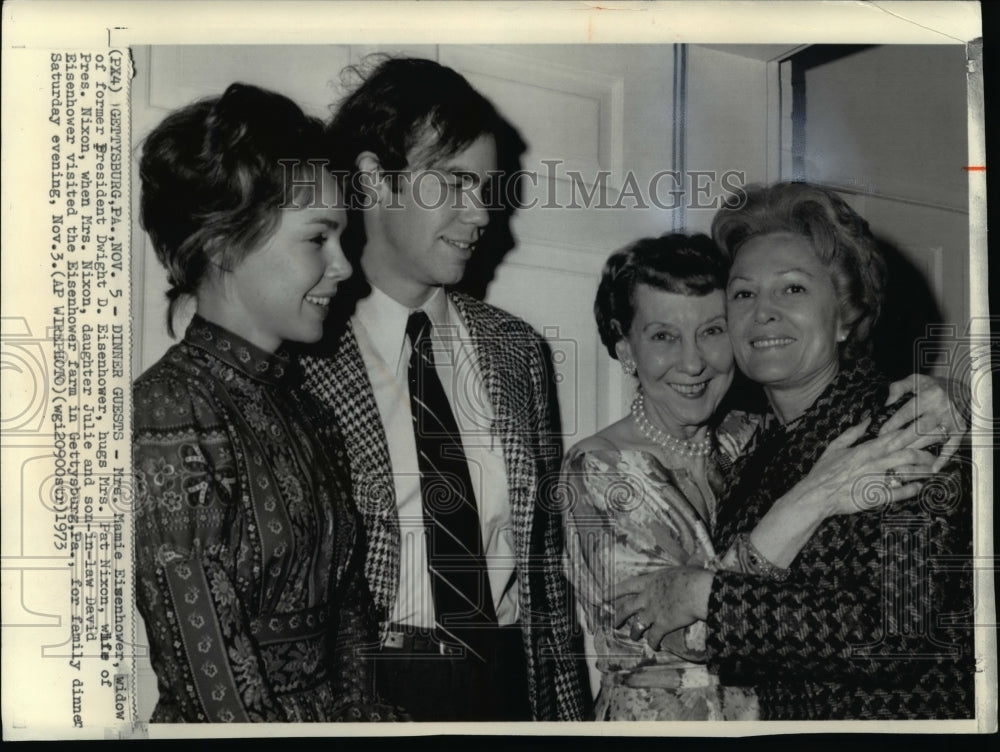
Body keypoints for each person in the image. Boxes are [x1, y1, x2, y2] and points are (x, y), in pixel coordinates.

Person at [603, 182, 974, 720]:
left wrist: (707, 595)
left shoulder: (907, 428)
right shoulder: (752, 449)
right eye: (744, 293)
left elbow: (894, 634)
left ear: (846, 314)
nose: (763, 313)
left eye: (793, 290)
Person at [299, 56, 591, 721]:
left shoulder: (517, 350)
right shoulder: (303, 353)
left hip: (511, 675)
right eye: (456, 184)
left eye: (486, 189)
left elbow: (545, 568)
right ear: (374, 179)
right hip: (372, 685)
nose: (481, 213)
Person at [133, 83, 401, 722]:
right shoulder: (166, 414)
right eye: (318, 238)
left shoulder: (309, 411)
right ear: (225, 244)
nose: (344, 267)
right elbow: (212, 688)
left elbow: (349, 613)